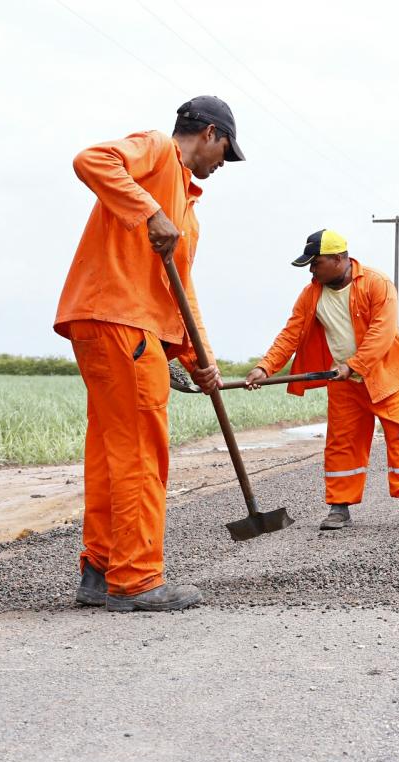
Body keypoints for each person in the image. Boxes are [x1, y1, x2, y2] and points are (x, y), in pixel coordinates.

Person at [54, 96, 244, 612]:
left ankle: (99, 570)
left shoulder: (187, 207)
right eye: (226, 150)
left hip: (113, 321)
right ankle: (136, 579)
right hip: (121, 320)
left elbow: (180, 288)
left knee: (111, 453)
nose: (223, 164)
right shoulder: (158, 153)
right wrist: (151, 212)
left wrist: (199, 358)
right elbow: (90, 159)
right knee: (141, 451)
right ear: (209, 133)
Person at [246, 229, 399, 530]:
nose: (311, 270)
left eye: (316, 262)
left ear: (339, 259)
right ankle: (340, 509)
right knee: (342, 444)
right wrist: (265, 367)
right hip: (343, 382)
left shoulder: (377, 284)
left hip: (388, 376)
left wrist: (355, 364)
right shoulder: (312, 293)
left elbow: (382, 332)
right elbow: (291, 333)